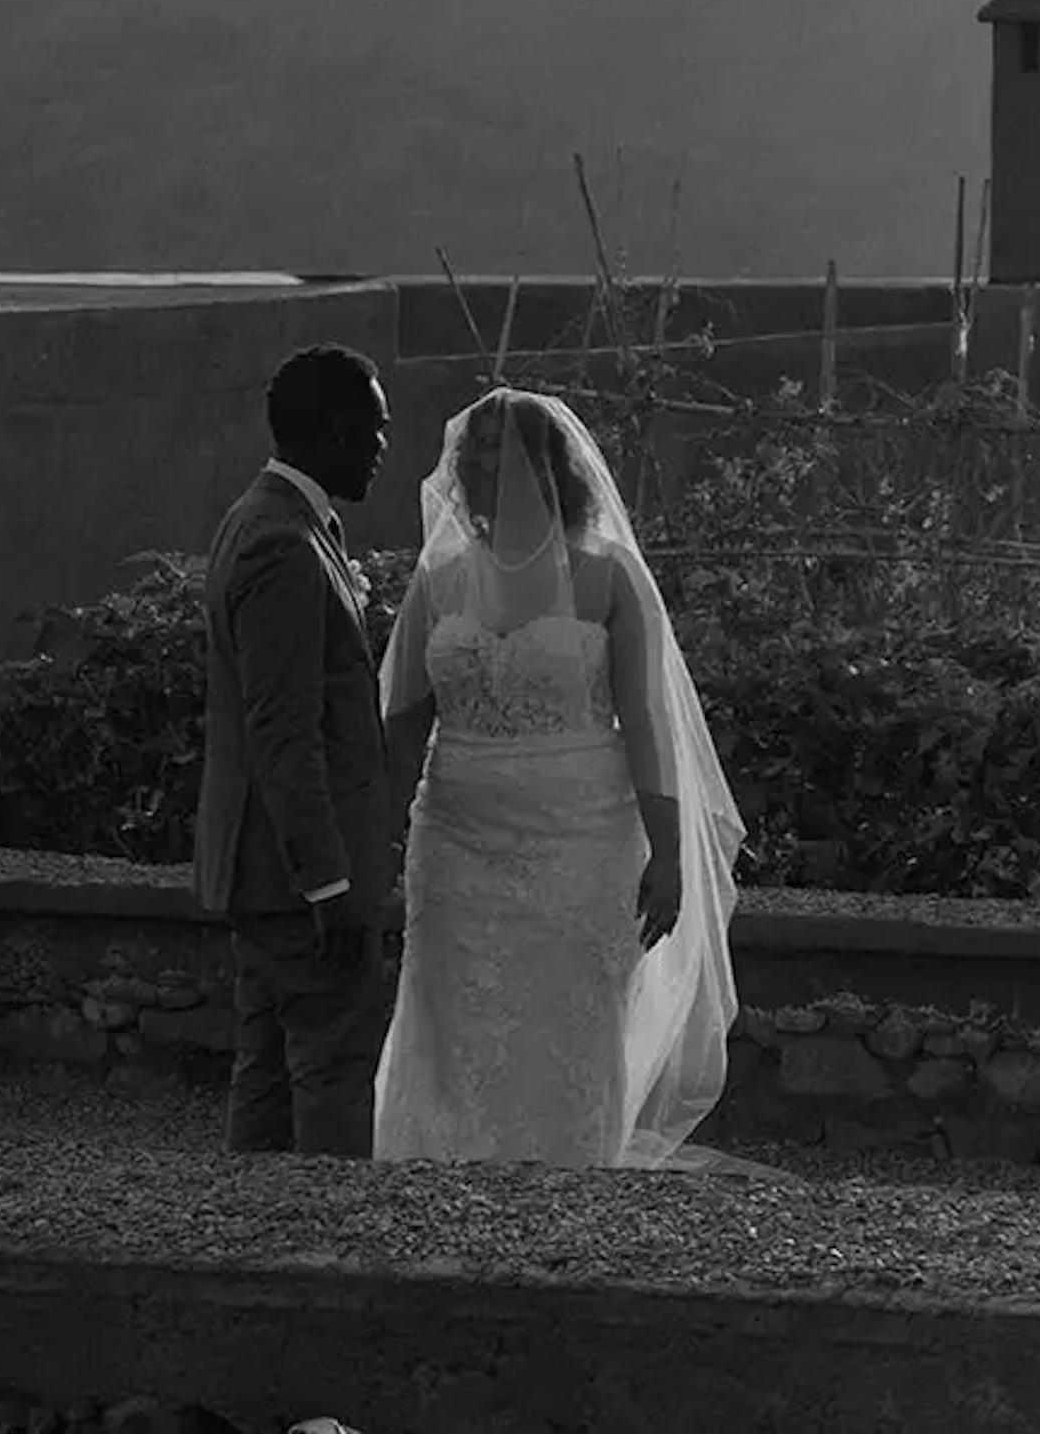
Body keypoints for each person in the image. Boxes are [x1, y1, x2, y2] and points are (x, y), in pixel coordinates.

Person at [372, 386, 750, 1168]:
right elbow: (401, 719)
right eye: (472, 455)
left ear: (551, 469)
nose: (481, 468)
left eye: (500, 452)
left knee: (568, 1023)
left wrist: (669, 851)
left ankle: (572, 1178)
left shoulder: (607, 577)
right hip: (455, 843)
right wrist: (376, 838)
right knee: (452, 1025)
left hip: (582, 845)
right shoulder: (438, 579)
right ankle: (438, 1176)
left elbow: (647, 722)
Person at [192, 342, 398, 1155]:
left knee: (271, 1069)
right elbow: (285, 731)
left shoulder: (268, 518)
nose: (386, 449)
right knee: (331, 1072)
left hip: (265, 872)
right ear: (338, 430)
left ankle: (253, 1246)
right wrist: (330, 883)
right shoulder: (283, 542)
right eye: (376, 431)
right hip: (299, 879)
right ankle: (324, 1254)